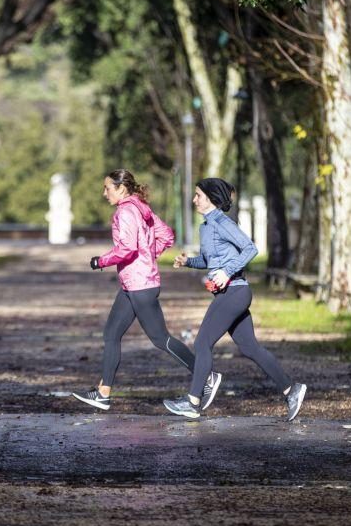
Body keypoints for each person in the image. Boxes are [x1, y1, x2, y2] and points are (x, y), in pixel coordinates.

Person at [164, 178, 306, 421]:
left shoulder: (222, 222)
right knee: (250, 347)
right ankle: (291, 390)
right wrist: (188, 261)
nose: (194, 199)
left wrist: (227, 271)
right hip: (229, 294)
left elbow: (250, 248)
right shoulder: (206, 227)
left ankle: (193, 401)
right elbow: (210, 262)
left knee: (201, 344)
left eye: (198, 195)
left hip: (235, 293)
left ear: (210, 197)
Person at [71, 169, 202, 411]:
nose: (104, 193)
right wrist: (148, 256)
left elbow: (127, 248)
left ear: (121, 188)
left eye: (107, 188)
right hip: (132, 285)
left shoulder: (126, 211)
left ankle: (205, 375)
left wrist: (100, 261)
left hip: (140, 286)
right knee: (111, 334)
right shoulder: (142, 208)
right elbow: (167, 235)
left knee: (161, 339)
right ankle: (103, 393)